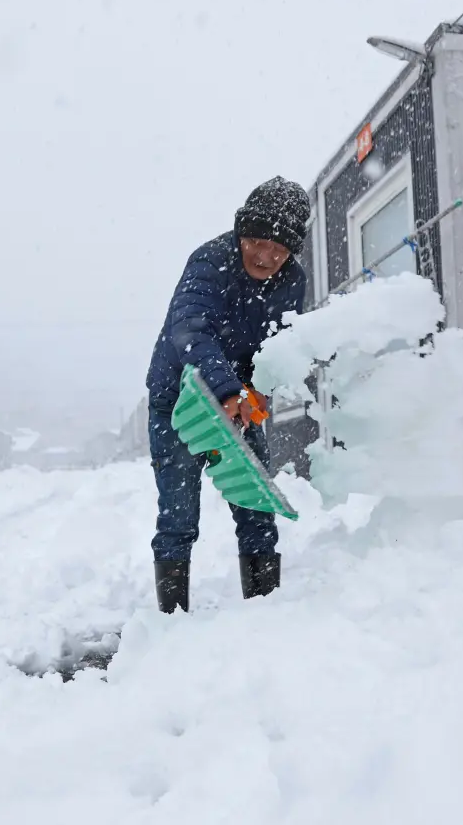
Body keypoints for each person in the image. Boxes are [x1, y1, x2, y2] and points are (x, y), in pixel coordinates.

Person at [144, 176, 310, 613]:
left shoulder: (292, 280)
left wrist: (259, 387)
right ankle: (171, 621)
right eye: (256, 241)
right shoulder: (210, 261)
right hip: (179, 400)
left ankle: (264, 611)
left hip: (237, 400)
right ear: (241, 233)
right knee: (179, 514)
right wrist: (227, 388)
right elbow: (190, 329)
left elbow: (280, 342)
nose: (266, 256)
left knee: (257, 505)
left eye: (279, 248)